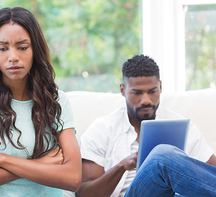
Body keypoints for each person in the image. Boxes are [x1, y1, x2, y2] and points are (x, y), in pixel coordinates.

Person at [0, 7, 81, 197]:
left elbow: (73, 178)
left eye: (22, 47)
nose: (13, 57)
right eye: (2, 48)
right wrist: (40, 165)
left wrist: (0, 159)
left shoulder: (56, 99)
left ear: (35, 49)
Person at [76, 54, 216, 197]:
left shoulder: (181, 126)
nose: (146, 100)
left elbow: (209, 175)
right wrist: (121, 166)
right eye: (137, 93)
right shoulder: (101, 130)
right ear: (123, 90)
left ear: (160, 87)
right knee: (161, 156)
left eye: (152, 91)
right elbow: (84, 194)